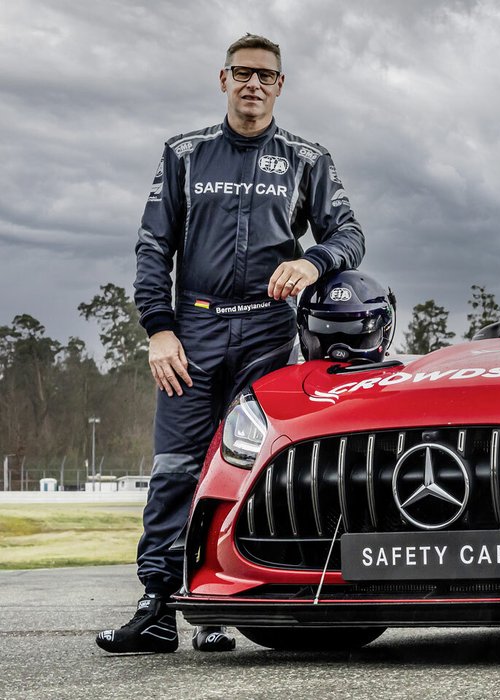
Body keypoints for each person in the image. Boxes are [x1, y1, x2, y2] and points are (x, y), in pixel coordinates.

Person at [96, 33, 364, 654]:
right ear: (222, 80)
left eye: (265, 76)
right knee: (176, 470)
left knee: (246, 468)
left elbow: (348, 232)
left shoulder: (306, 158)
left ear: (280, 85)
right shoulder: (185, 154)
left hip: (269, 333)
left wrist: (317, 262)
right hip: (193, 332)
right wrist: (158, 328)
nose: (253, 84)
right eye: (242, 73)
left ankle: (214, 606)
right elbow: (152, 246)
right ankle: (158, 604)